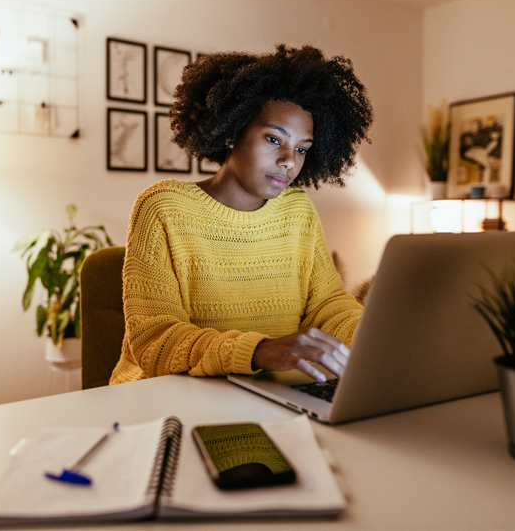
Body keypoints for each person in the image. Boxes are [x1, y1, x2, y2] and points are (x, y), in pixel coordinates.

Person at [109, 45, 373, 385]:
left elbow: (328, 305)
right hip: (167, 397)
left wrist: (372, 336)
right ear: (233, 132)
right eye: (274, 139)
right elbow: (156, 340)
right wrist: (258, 350)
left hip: (268, 391)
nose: (289, 161)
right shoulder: (164, 207)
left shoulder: (297, 209)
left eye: (301, 148)